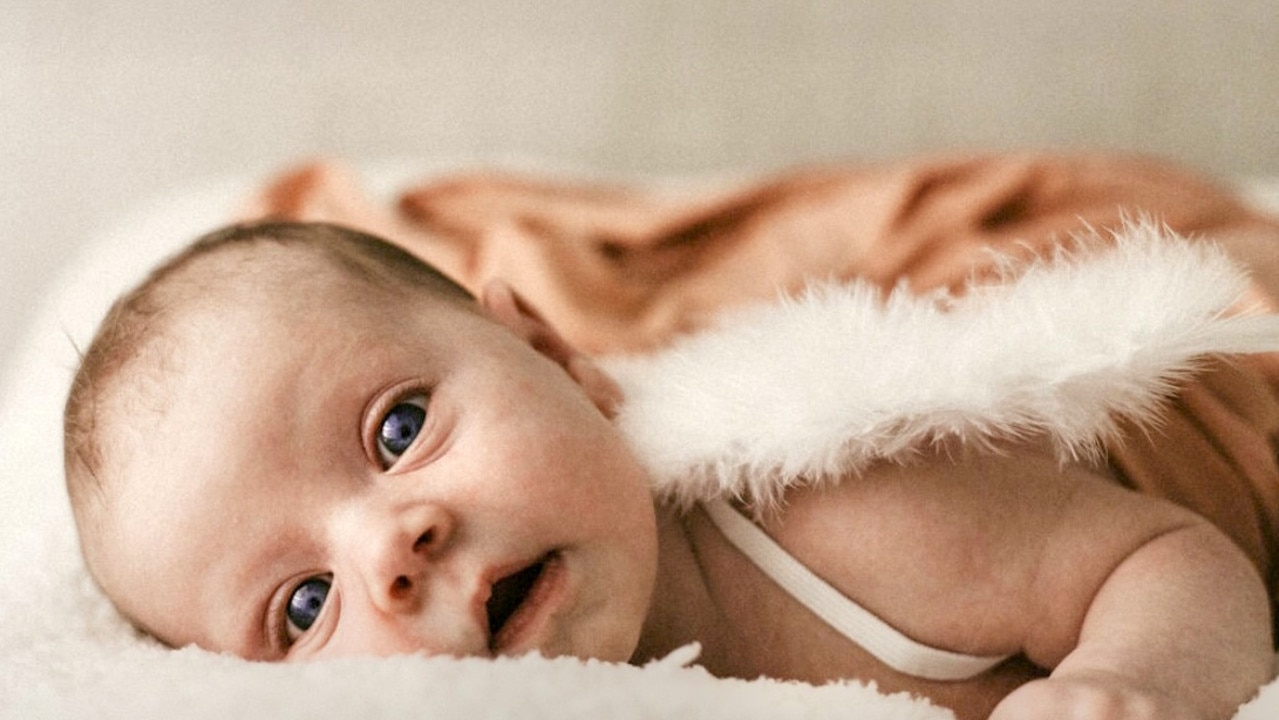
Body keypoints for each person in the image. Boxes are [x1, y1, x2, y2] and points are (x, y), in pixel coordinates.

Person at [64, 217, 1275, 720]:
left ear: (552, 353)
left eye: (398, 430)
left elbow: (1172, 555)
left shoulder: (844, 514)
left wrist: (1129, 676)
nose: (392, 547)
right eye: (303, 606)